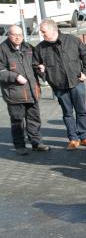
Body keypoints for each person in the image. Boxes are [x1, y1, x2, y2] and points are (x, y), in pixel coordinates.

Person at [33, 19, 86, 149]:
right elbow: (35, 65)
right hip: (58, 85)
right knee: (67, 113)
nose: (42, 34)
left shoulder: (72, 40)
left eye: (43, 31)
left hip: (76, 82)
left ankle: (84, 137)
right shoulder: (40, 48)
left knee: (81, 111)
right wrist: (44, 74)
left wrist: (85, 72)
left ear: (52, 29)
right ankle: (73, 138)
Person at [1, 24, 49, 155]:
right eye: (14, 35)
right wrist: (15, 76)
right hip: (14, 94)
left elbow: (35, 64)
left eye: (20, 35)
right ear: (8, 35)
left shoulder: (28, 47)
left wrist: (40, 69)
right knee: (17, 122)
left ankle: (36, 142)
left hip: (32, 91)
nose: (18, 37)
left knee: (34, 119)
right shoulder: (2, 50)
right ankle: (20, 146)